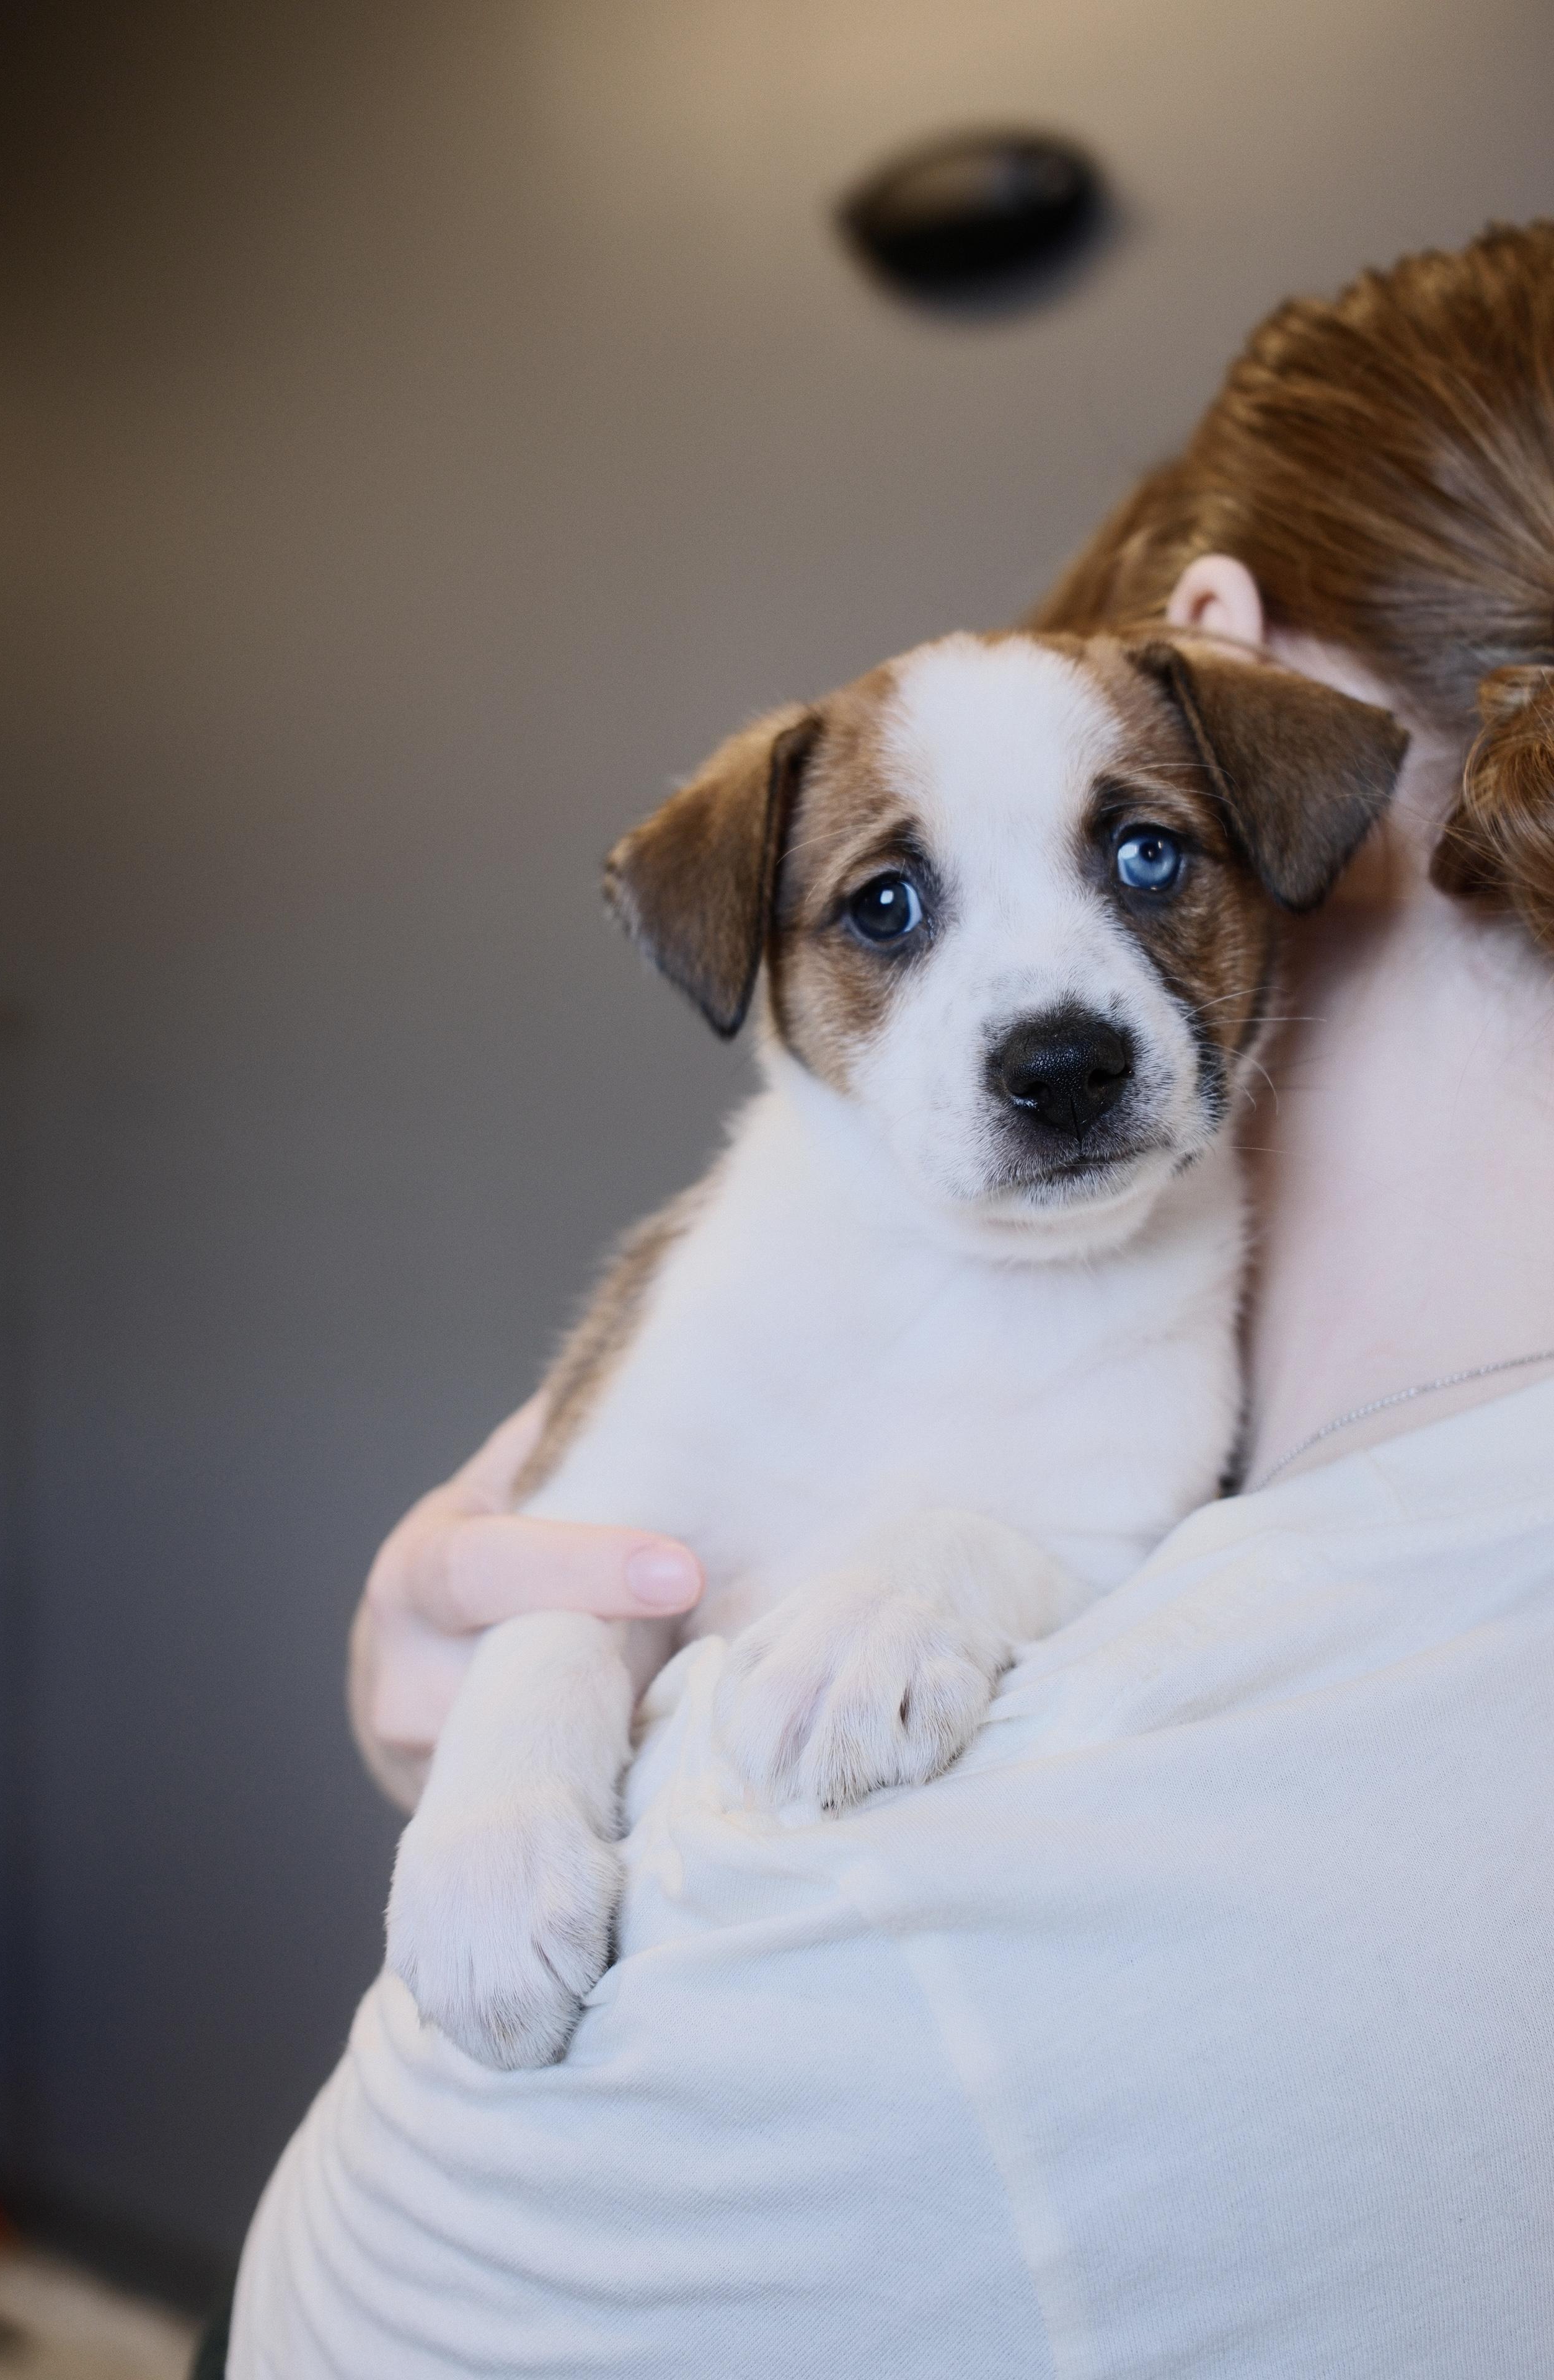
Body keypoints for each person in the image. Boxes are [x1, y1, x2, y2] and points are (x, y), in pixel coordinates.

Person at [227, 225, 1554, 2376]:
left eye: (1143, 857)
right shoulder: (766, 1269)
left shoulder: (1202, 1375)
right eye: (893, 907)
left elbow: (1092, 1538)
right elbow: (596, 1558)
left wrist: (947, 1574)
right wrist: (522, 1721)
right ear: (758, 946)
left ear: (1242, 721)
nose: (1050, 1022)